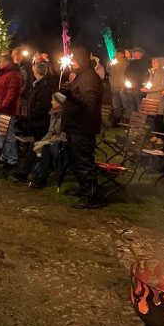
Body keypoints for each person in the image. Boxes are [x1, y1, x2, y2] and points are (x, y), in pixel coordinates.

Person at [61, 46, 103, 209]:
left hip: (83, 126)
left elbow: (89, 103)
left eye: (74, 59)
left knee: (84, 161)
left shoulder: (89, 78)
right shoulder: (81, 75)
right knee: (75, 160)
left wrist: (71, 95)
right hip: (75, 125)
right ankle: (84, 189)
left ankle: (91, 197)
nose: (72, 62)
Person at [0, 54, 23, 167]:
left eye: (0, 62)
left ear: (5, 62)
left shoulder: (13, 75)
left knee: (8, 135)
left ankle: (12, 159)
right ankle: (4, 157)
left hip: (6, 111)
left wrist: (2, 105)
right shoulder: (3, 74)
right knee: (2, 134)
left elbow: (12, 94)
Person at [26, 62, 53, 141]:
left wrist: (33, 114)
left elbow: (42, 104)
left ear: (37, 71)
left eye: (34, 68)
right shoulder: (38, 83)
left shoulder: (44, 85)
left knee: (39, 141)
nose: (32, 69)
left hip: (40, 122)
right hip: (37, 121)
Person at [123, 47, 148, 116]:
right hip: (130, 88)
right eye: (133, 52)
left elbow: (144, 77)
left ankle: (140, 123)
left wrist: (142, 86)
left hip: (138, 89)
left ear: (140, 54)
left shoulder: (144, 64)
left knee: (139, 106)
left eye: (134, 52)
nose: (132, 54)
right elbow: (126, 74)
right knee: (131, 106)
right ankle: (133, 122)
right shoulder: (132, 63)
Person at [109, 49, 129, 124]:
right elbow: (110, 74)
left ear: (123, 55)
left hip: (122, 87)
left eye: (119, 54)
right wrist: (111, 83)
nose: (117, 55)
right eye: (116, 54)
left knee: (125, 104)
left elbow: (127, 75)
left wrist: (123, 84)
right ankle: (117, 119)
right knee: (115, 105)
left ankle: (126, 119)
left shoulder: (126, 64)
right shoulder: (114, 63)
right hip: (114, 87)